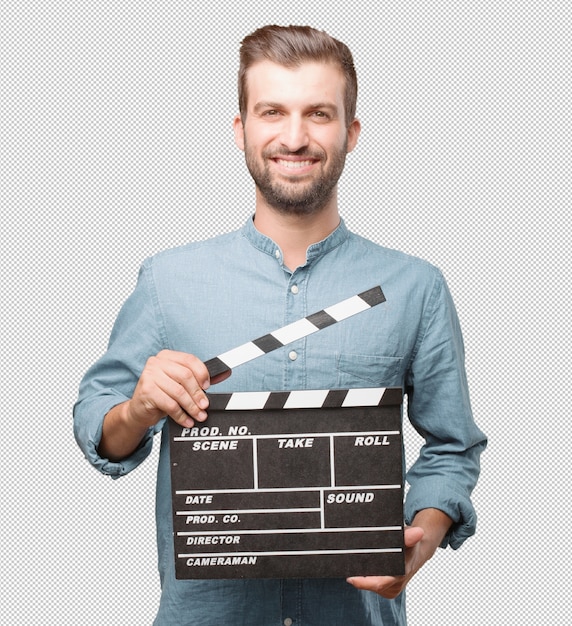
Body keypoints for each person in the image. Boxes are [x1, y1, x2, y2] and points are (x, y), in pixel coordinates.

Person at [74, 24, 487, 626]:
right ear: (241, 129)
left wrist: (423, 534)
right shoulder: (169, 279)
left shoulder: (414, 288)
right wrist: (138, 410)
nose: (295, 137)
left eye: (318, 114)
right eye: (273, 112)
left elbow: (453, 446)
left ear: (351, 132)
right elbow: (99, 428)